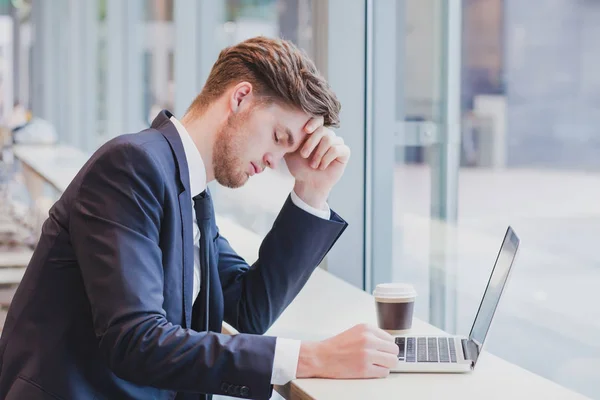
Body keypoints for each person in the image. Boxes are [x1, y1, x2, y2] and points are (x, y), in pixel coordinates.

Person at [0, 37, 399, 400]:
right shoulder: (131, 165)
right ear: (241, 98)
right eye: (279, 138)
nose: (277, 162)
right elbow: (134, 339)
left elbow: (247, 311)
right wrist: (312, 358)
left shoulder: (190, 192)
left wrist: (311, 190)